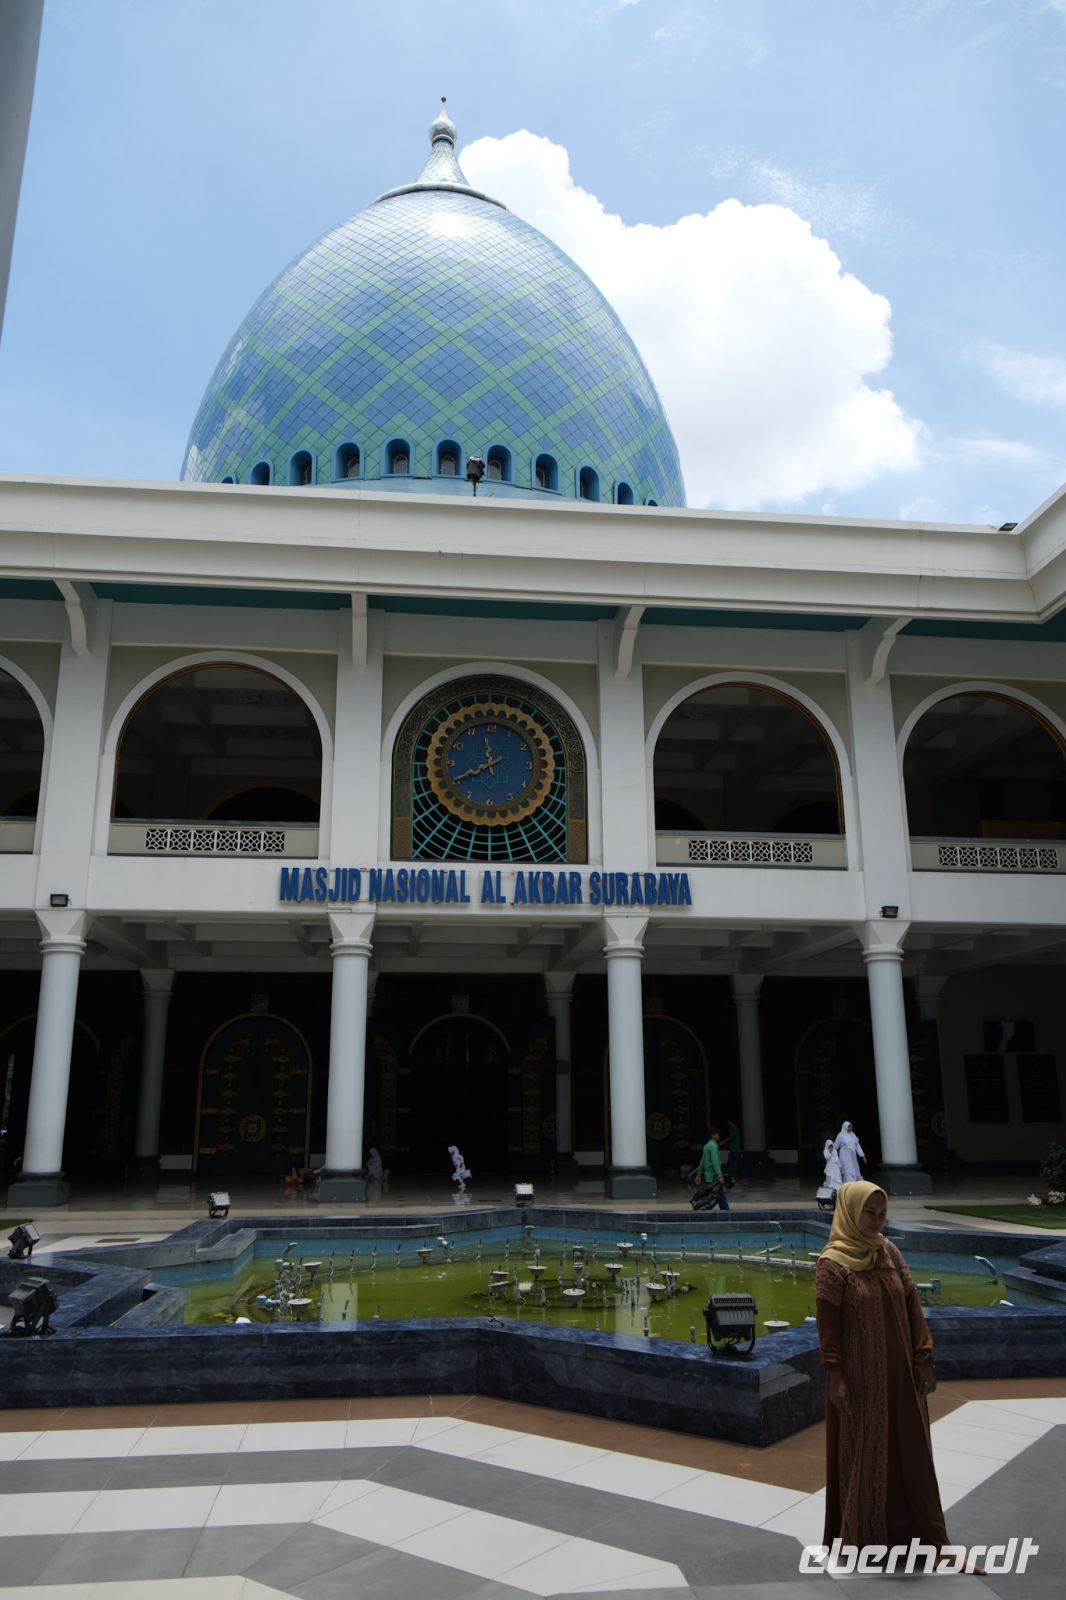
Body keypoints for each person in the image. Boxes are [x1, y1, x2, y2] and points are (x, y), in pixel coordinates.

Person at [815, 1181, 978, 1573]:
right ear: (851, 1213)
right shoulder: (832, 1264)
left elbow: (912, 1306)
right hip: (860, 1378)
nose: (875, 1221)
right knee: (866, 1452)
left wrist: (925, 1358)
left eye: (881, 1213)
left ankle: (934, 1542)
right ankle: (865, 1540)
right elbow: (829, 1329)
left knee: (913, 1451)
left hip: (902, 1375)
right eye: (868, 1213)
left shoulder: (888, 1251)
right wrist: (835, 1377)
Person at [691, 1127, 729, 1210]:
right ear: (713, 1135)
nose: (718, 1135)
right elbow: (715, 1162)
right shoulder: (713, 1146)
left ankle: (724, 1211)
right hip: (714, 1176)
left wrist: (699, 1174)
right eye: (717, 1134)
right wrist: (720, 1175)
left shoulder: (706, 1146)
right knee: (718, 1195)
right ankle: (726, 1213)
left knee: (715, 1195)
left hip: (708, 1176)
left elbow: (702, 1161)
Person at [720, 1116, 744, 1183]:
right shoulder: (732, 1128)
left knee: (739, 1164)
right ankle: (726, 1176)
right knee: (729, 1164)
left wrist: (722, 1142)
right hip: (733, 1150)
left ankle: (744, 1177)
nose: (728, 1123)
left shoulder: (734, 1128)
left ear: (731, 1121)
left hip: (736, 1150)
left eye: (729, 1122)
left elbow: (730, 1138)